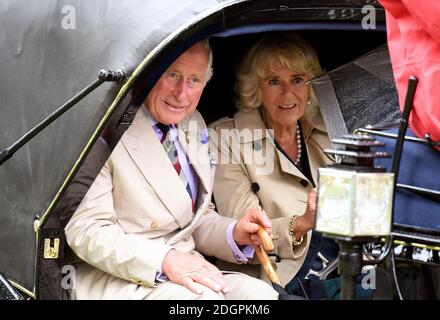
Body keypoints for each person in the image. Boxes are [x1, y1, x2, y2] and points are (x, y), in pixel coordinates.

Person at [65, 40, 278, 300]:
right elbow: (86, 231)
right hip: (117, 276)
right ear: (150, 73)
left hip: (185, 267)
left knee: (261, 296)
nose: (181, 93)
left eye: (194, 80)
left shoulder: (193, 123)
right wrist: (166, 260)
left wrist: (234, 233)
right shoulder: (107, 132)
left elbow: (192, 221)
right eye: (172, 75)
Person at [210, 33, 338, 288]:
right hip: (281, 274)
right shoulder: (225, 138)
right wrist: (301, 223)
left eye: (298, 80)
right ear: (255, 88)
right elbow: (246, 230)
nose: (288, 92)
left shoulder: (331, 129)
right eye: (274, 81)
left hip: (345, 262)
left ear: (310, 86)